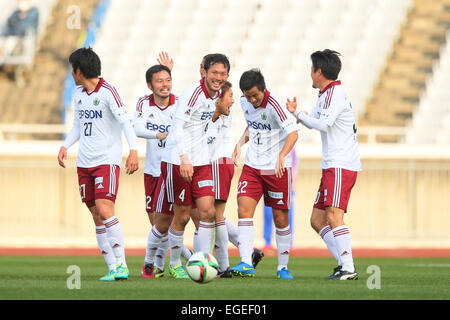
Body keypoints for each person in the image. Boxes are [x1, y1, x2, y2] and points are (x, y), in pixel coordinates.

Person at [57, 47, 139, 281]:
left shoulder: (109, 91)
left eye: (72, 70)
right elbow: (78, 126)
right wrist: (65, 145)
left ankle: (122, 264)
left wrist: (132, 150)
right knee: (95, 214)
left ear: (79, 70)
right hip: (84, 162)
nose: (71, 74)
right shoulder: (79, 94)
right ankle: (113, 267)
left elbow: (125, 122)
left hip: (106, 161)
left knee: (105, 209)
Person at [286, 49, 361, 280]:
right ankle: (344, 263)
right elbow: (314, 119)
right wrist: (298, 114)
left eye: (311, 69)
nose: (310, 74)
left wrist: (298, 113)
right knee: (317, 220)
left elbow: (324, 124)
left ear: (319, 71)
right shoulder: (326, 94)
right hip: (332, 165)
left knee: (334, 215)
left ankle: (348, 268)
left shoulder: (335, 94)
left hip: (340, 164)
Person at [160, 53, 230, 278]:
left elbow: (203, 125)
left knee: (208, 212)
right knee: (180, 216)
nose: (218, 77)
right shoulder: (193, 93)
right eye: (214, 73)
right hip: (178, 161)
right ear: (205, 72)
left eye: (222, 73)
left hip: (201, 163)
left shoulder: (217, 94)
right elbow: (177, 128)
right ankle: (174, 264)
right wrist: (184, 158)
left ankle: (203, 262)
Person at [229, 69, 298, 279]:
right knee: (243, 208)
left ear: (263, 89)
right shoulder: (245, 102)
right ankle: (245, 263)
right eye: (248, 96)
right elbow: (253, 128)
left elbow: (293, 134)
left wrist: (282, 155)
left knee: (280, 218)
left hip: (276, 169)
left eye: (255, 95)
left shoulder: (275, 105)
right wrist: (240, 143)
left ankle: (282, 267)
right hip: (252, 166)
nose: (252, 100)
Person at [134, 58, 192, 279]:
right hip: (152, 171)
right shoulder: (143, 103)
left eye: (168, 80)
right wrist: (157, 134)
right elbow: (137, 128)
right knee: (157, 224)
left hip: (173, 169)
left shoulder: (179, 104)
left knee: (168, 221)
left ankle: (157, 266)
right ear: (150, 85)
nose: (165, 84)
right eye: (159, 81)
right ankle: (189, 257)